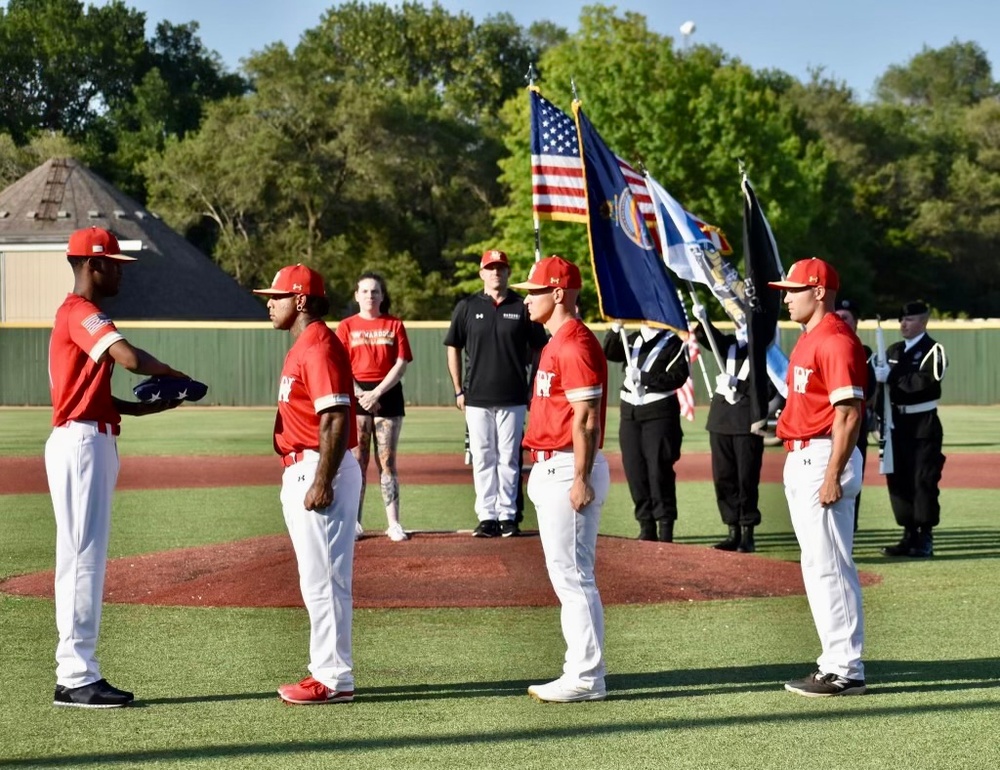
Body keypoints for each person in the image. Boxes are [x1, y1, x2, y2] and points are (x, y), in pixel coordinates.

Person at [46, 226, 189, 708]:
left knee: (78, 559)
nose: (121, 273)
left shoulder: (75, 315)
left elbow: (101, 397)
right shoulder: (81, 312)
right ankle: (77, 675)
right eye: (114, 264)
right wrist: (170, 373)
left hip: (86, 435)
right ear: (92, 265)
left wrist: (154, 407)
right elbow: (128, 358)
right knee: (84, 559)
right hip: (81, 443)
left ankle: (74, 671)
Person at [254, 263, 363, 705]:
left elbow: (335, 416)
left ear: (300, 300)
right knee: (316, 578)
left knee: (326, 580)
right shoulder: (306, 344)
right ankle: (328, 672)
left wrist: (322, 480)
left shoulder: (318, 346)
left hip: (321, 465)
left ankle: (334, 678)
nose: (268, 303)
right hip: (308, 464)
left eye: (276, 297)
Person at [511, 255, 611, 703]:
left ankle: (586, 677)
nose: (526, 298)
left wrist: (581, 477)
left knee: (574, 577)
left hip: (569, 465)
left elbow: (586, 418)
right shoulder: (557, 342)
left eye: (533, 291)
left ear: (557, 293)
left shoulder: (574, 344)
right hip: (553, 465)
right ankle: (582, 670)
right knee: (568, 576)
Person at [768, 258, 869, 697]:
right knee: (817, 564)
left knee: (830, 565)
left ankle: (846, 669)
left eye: (793, 289)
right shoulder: (810, 339)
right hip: (804, 456)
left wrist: (832, 474)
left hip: (826, 454)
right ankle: (833, 662)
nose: (786, 297)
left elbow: (848, 414)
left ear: (819, 291)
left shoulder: (836, 340)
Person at [444, 249, 547, 538]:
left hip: (513, 395)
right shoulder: (466, 306)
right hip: (476, 396)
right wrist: (457, 390)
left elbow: (540, 346)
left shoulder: (521, 306)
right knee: (483, 456)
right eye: (490, 268)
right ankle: (487, 516)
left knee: (509, 458)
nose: (495, 273)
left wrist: (532, 386)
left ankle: (508, 516)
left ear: (508, 273)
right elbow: (453, 345)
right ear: (482, 273)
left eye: (500, 268)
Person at [336, 272, 413, 542]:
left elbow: (401, 363)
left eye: (375, 291)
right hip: (357, 397)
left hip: (388, 395)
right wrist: (361, 394)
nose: (370, 296)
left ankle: (393, 523)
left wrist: (377, 392)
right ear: (357, 296)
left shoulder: (394, 325)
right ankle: (355, 522)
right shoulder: (346, 326)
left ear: (382, 295)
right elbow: (341, 364)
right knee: (357, 463)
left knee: (387, 462)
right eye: (365, 291)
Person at [602, 321, 688, 542]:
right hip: (630, 414)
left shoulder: (674, 343)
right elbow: (609, 352)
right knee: (635, 470)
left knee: (658, 471)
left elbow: (678, 377)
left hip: (659, 414)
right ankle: (646, 525)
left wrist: (644, 377)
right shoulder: (630, 339)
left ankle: (665, 528)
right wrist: (615, 328)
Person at [876, 301, 947, 559]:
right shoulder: (894, 350)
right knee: (899, 481)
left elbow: (923, 382)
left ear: (924, 322)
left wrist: (891, 378)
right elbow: (881, 391)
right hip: (896, 424)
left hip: (922, 426)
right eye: (902, 320)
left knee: (923, 481)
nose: (904, 324)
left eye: (910, 319)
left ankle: (925, 536)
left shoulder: (933, 350)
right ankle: (908, 533)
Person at [691, 314, 764, 553]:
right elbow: (705, 336)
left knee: (746, 478)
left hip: (746, 422)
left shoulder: (763, 349)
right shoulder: (730, 345)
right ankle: (732, 529)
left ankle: (747, 533)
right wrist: (703, 317)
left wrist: (739, 386)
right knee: (723, 477)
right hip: (721, 421)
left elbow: (768, 388)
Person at [833, 299, 877, 532]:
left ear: (856, 322)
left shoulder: (864, 353)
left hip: (853, 425)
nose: (841, 321)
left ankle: (850, 526)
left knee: (851, 477)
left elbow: (867, 393)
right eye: (837, 316)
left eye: (846, 317)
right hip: (827, 426)